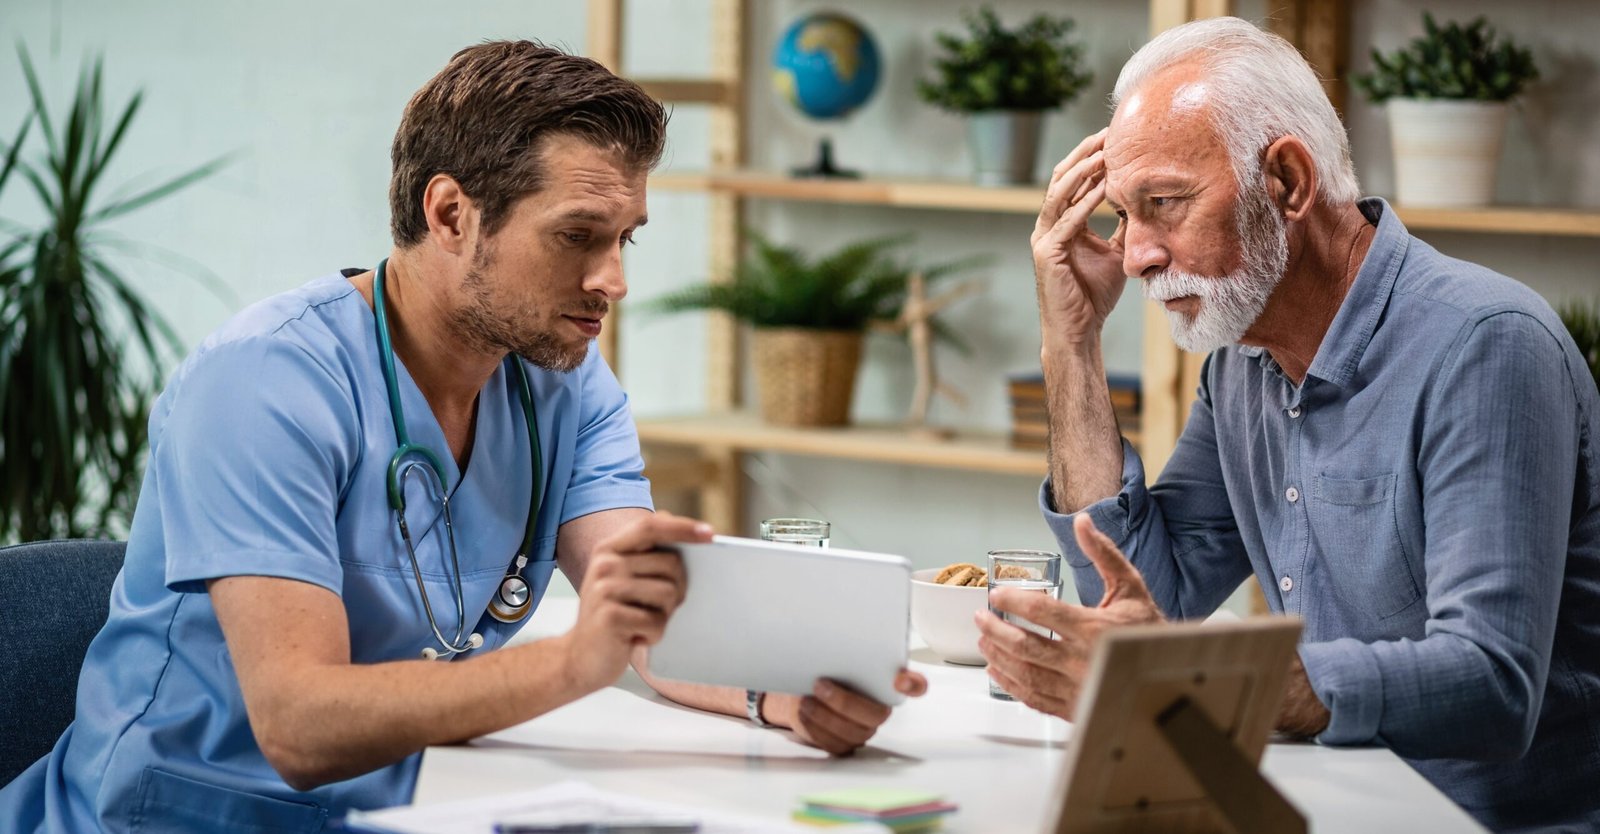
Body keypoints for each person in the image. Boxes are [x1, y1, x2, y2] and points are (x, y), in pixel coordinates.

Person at [0, 40, 925, 832]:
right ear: (450, 215)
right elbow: (298, 724)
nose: (613, 280)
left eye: (627, 239)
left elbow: (643, 616)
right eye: (577, 236)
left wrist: (775, 693)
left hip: (408, 803)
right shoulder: (263, 385)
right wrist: (572, 661)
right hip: (177, 814)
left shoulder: (563, 381)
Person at [977, 16, 1600, 834]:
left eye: (1163, 203)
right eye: (1124, 216)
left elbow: (1491, 683)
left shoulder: (1486, 346)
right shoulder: (1241, 364)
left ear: (1289, 182)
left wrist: (1200, 682)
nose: (1135, 257)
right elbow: (1141, 600)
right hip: (1325, 808)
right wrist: (1073, 340)